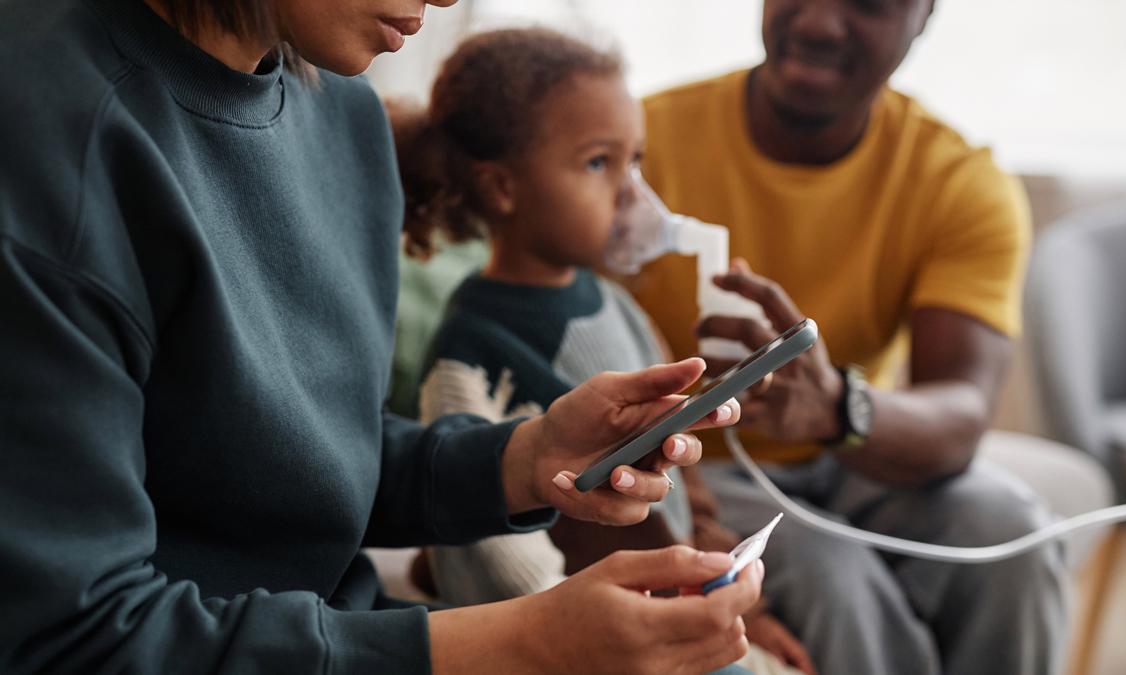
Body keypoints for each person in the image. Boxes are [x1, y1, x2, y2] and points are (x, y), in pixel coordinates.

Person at [0, 0, 764, 672]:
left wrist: (522, 458)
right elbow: (74, 637)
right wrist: (529, 645)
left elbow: (287, 462)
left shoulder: (344, 116)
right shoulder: (49, 141)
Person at [630, 1, 1067, 673]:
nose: (818, 23)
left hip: (856, 457)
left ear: (924, 16)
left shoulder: (959, 181)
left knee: (1012, 532)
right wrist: (680, 510)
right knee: (835, 573)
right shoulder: (635, 145)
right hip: (695, 470)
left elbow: (961, 414)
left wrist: (837, 405)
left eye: (866, 3)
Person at [389, 28, 817, 675]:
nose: (631, 192)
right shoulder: (468, 354)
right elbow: (488, 555)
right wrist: (578, 633)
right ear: (502, 187)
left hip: (667, 611)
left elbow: (686, 487)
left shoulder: (619, 307)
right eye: (598, 163)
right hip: (589, 642)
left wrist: (739, 604)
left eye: (635, 160)